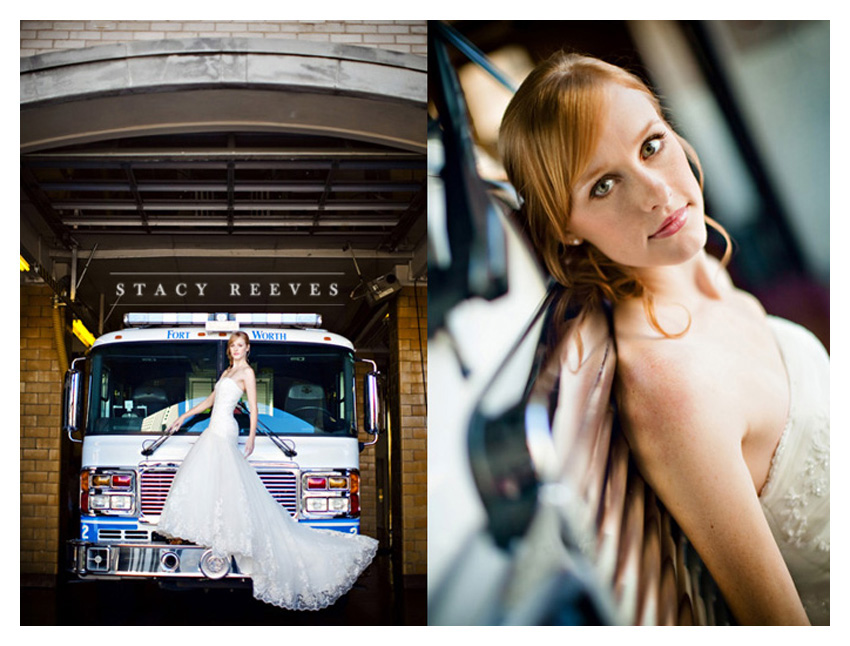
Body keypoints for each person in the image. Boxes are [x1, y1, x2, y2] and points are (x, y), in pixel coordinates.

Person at [498, 52, 829, 625]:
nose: (657, 193)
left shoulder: (699, 270)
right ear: (565, 229)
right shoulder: (670, 385)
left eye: (651, 145)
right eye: (603, 185)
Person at [157, 331, 378, 611]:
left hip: (226, 428)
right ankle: (220, 534)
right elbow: (211, 400)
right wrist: (183, 416)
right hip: (214, 425)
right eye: (232, 346)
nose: (236, 350)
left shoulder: (246, 372)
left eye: (240, 346)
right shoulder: (227, 371)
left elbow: (252, 407)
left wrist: (250, 437)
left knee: (224, 476)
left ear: (247, 349)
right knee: (216, 478)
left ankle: (227, 534)